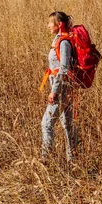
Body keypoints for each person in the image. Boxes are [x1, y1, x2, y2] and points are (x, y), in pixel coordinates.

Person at [41, 11, 77, 161]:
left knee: (46, 123)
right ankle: (73, 159)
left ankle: (46, 160)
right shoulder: (59, 41)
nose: (48, 25)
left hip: (62, 89)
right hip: (65, 87)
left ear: (59, 24)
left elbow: (63, 68)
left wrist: (54, 91)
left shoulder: (63, 43)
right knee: (67, 123)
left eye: (51, 22)